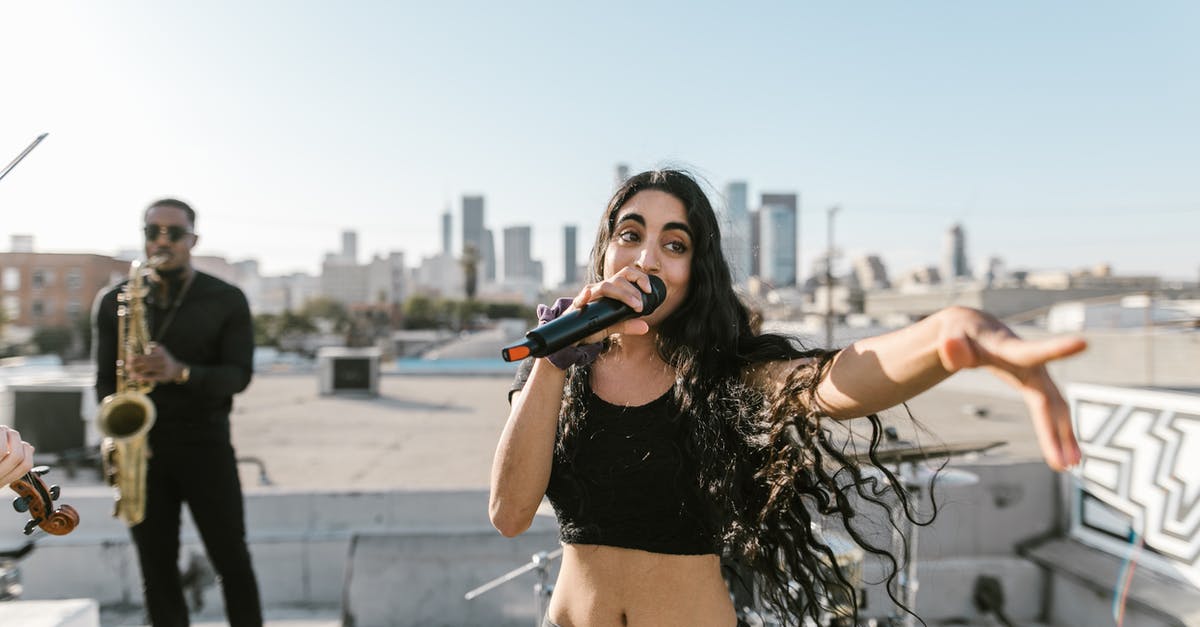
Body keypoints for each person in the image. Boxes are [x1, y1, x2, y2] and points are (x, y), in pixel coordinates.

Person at [490, 169, 1085, 627]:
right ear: (604, 253)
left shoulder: (726, 374)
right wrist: (554, 361)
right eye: (630, 235)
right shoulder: (556, 369)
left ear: (697, 270)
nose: (646, 258)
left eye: (675, 244)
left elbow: (831, 382)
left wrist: (944, 336)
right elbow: (509, 514)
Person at [94, 198, 262, 627]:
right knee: (156, 568)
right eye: (153, 233)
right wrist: (119, 443)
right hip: (142, 453)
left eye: (174, 233)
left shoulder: (226, 299)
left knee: (232, 559)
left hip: (205, 445)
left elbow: (239, 375)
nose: (163, 241)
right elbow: (104, 384)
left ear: (193, 239)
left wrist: (180, 372)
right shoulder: (115, 300)